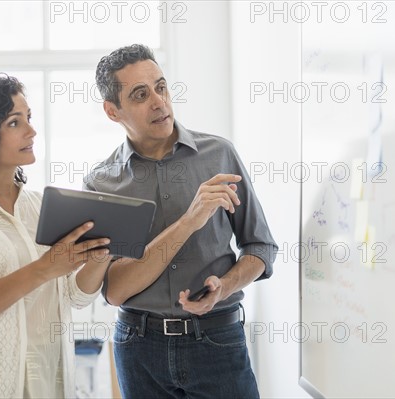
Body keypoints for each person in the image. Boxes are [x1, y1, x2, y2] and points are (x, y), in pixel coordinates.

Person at [84, 44, 278, 398]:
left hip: (218, 337)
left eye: (161, 86)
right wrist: (189, 221)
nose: (158, 102)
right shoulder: (102, 183)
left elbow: (261, 247)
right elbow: (115, 290)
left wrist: (227, 285)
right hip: (139, 347)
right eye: (140, 95)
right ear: (113, 111)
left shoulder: (219, 154)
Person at [0, 74, 111, 398]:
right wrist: (44, 268)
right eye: (15, 123)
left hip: (48, 380)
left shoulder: (41, 205)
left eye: (29, 118)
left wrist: (99, 256)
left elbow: (71, 296)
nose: (31, 131)